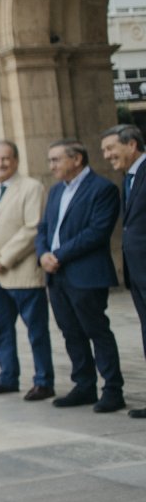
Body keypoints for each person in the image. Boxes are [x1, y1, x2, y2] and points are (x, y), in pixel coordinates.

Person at [34, 139, 124, 413]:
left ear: (76, 160)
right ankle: (84, 386)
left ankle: (112, 389)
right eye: (51, 160)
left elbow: (97, 232)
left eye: (56, 160)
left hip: (85, 274)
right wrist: (43, 254)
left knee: (96, 330)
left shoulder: (103, 189)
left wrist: (58, 255)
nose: (51, 166)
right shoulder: (55, 191)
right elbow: (44, 228)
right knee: (71, 333)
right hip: (56, 276)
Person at [0, 140, 54, 401]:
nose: (0, 164)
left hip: (22, 273)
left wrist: (2, 259)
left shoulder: (32, 187)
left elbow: (32, 228)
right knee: (2, 331)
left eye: (5, 159)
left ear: (16, 160)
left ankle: (43, 381)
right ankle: (7, 377)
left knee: (36, 331)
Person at [100, 123, 146, 418]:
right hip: (138, 274)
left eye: (110, 148)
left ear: (131, 145)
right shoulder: (128, 178)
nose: (106, 156)